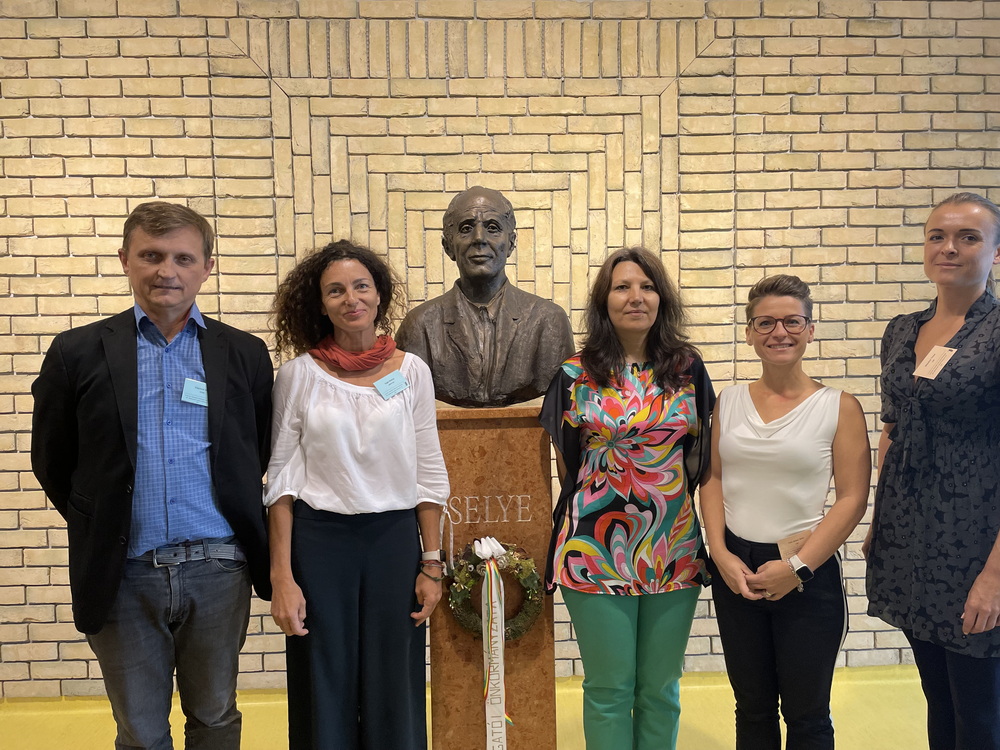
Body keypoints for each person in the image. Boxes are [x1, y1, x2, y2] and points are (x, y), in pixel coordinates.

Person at [30, 201, 273, 749]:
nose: (167, 271)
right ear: (125, 260)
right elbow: (52, 458)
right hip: (123, 572)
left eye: (183, 258)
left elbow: (257, 448)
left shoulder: (244, 353)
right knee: (140, 731)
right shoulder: (76, 352)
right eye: (152, 256)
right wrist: (102, 520)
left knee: (215, 717)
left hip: (218, 569)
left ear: (207, 267)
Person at [266, 240, 450, 750]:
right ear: (320, 304)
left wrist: (432, 563)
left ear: (379, 294)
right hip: (319, 545)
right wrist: (282, 576)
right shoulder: (298, 375)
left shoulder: (411, 372)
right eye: (336, 291)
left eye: (361, 286)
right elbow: (281, 481)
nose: (351, 298)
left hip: (393, 542)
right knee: (324, 678)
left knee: (395, 681)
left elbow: (428, 471)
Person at [540, 247, 715, 750]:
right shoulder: (574, 374)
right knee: (608, 690)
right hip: (592, 550)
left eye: (647, 286)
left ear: (662, 298)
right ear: (604, 300)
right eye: (622, 287)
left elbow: (701, 457)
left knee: (661, 689)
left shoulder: (687, 369)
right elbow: (568, 465)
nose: (636, 297)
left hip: (673, 548)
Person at [700, 275, 871, 749]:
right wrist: (719, 553)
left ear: (810, 330)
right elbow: (712, 478)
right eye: (766, 322)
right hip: (736, 569)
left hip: (806, 570)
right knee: (752, 708)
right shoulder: (729, 401)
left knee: (807, 714)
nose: (780, 332)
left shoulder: (839, 406)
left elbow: (853, 498)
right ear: (749, 333)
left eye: (792, 321)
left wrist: (797, 567)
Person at [865, 192, 1000, 750]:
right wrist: (879, 518)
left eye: (968, 237)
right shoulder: (902, 330)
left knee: (980, 714)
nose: (949, 248)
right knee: (938, 698)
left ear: (995, 251)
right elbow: (893, 429)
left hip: (977, 542)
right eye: (937, 236)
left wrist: (995, 574)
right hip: (910, 537)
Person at [396, 185, 574, 407]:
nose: (479, 238)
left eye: (492, 227)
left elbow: (564, 401)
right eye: (466, 228)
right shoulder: (419, 325)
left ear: (511, 243)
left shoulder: (548, 321)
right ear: (448, 246)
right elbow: (398, 399)